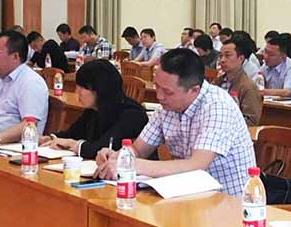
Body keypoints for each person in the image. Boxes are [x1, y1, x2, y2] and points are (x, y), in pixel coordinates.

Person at [93, 49, 256, 197]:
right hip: (187, 195)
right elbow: (138, 149)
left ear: (194, 90)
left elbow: (197, 165)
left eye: (167, 92)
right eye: (157, 87)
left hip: (229, 203)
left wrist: (133, 165)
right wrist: (117, 157)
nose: (159, 96)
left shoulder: (218, 106)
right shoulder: (167, 107)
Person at [38, 60, 150, 158]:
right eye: (77, 86)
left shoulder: (132, 114)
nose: (77, 92)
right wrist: (51, 138)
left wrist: (73, 144)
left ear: (100, 89)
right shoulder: (93, 110)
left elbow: (102, 147)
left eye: (83, 88)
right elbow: (72, 133)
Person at [0, 29, 49, 143]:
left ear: (15, 56)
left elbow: (29, 124)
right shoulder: (0, 80)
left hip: (13, 146)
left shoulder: (30, 81)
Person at [213, 39, 263, 126]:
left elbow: (252, 121)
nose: (222, 60)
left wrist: (224, 123)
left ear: (241, 58)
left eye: (227, 55)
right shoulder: (217, 82)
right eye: (220, 56)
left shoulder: (248, 86)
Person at [259, 34, 291, 98]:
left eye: (271, 54)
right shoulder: (265, 66)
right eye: (265, 52)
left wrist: (260, 91)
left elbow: (286, 92)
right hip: (273, 102)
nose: (265, 57)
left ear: (283, 56)